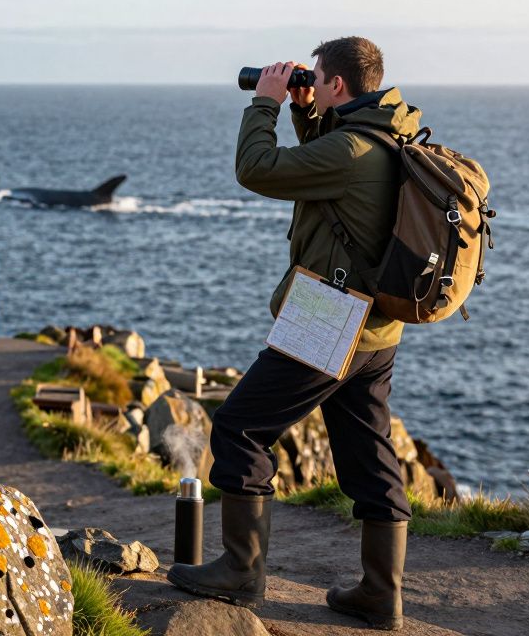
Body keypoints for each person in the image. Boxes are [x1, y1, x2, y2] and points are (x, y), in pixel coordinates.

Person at [167, 36, 421, 631]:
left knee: (240, 427)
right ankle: (381, 595)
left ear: (337, 84)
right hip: (377, 327)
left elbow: (257, 169)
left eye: (319, 80)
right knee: (368, 453)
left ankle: (240, 571)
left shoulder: (353, 148)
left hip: (330, 316)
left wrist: (266, 103)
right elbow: (331, 179)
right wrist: (308, 111)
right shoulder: (389, 132)